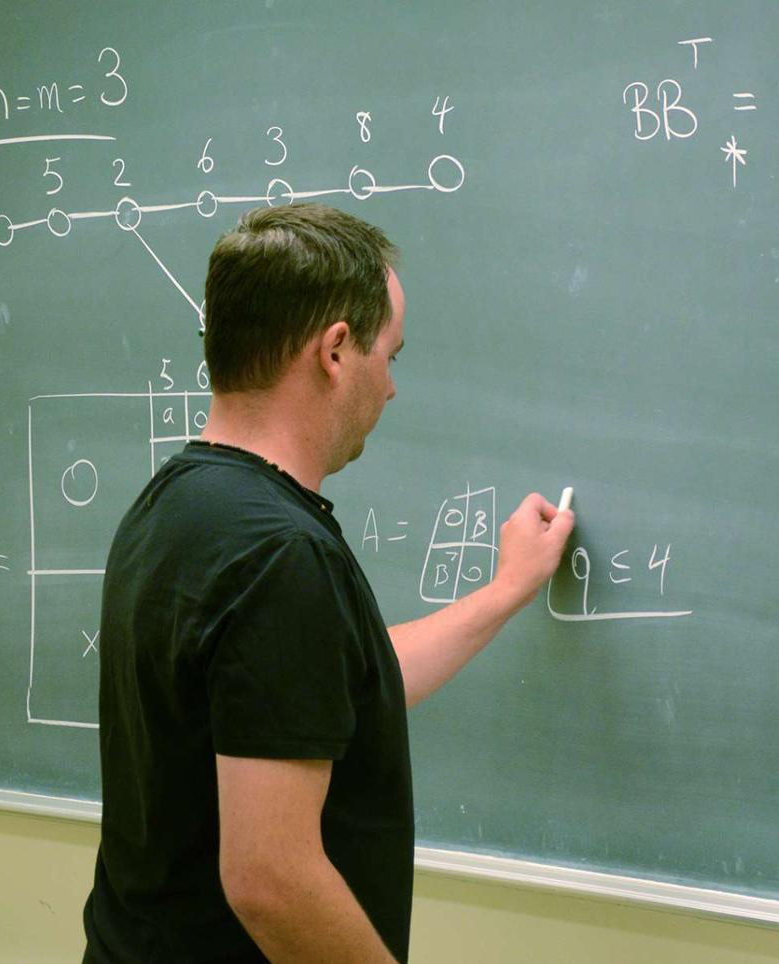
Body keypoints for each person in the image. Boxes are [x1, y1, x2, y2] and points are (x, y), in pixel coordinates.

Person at [82, 203, 573, 962]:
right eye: (391, 356)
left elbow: (323, 690)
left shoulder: (173, 507)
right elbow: (270, 878)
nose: (392, 388)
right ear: (336, 350)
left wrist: (506, 590)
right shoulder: (279, 554)